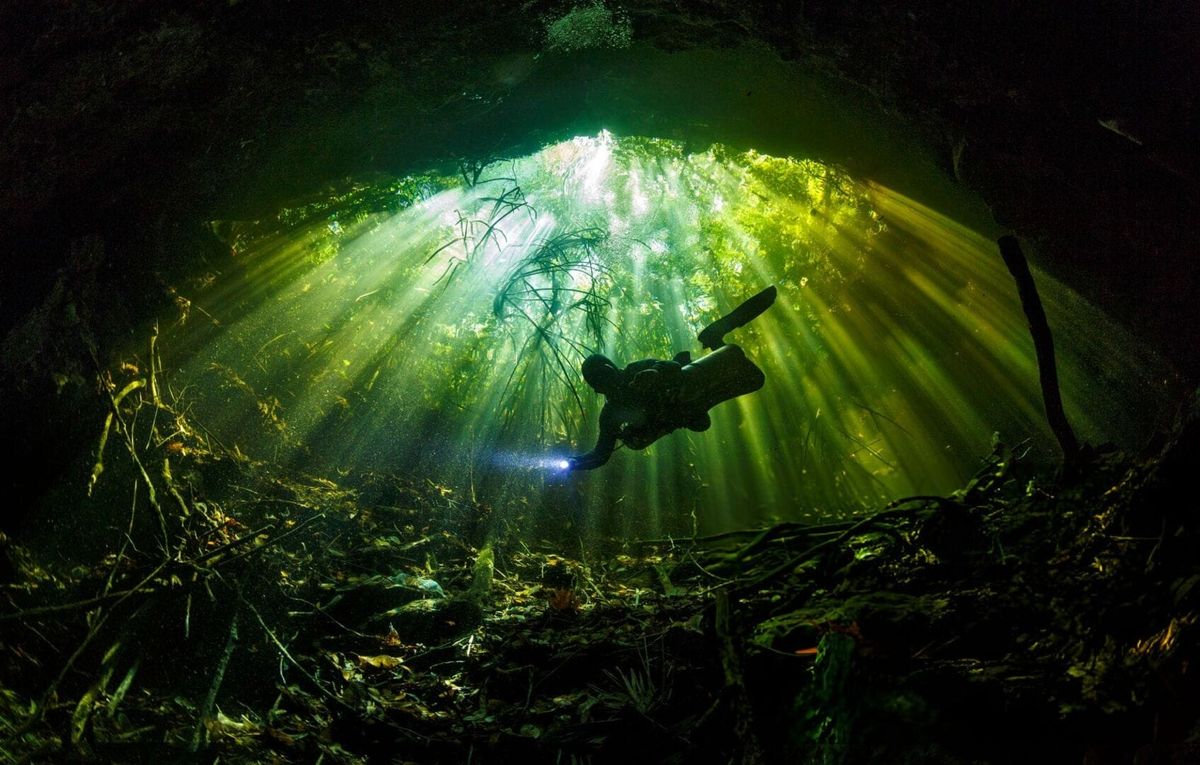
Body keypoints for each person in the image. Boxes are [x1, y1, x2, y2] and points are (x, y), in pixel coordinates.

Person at [568, 285, 777, 470]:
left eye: (600, 381)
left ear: (610, 371)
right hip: (690, 407)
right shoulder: (611, 415)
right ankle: (716, 342)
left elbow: (674, 367)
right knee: (755, 379)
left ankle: (714, 337)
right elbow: (601, 453)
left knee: (733, 354)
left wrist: (655, 372)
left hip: (689, 381)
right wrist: (574, 463)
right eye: (597, 385)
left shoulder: (633, 371)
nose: (600, 388)